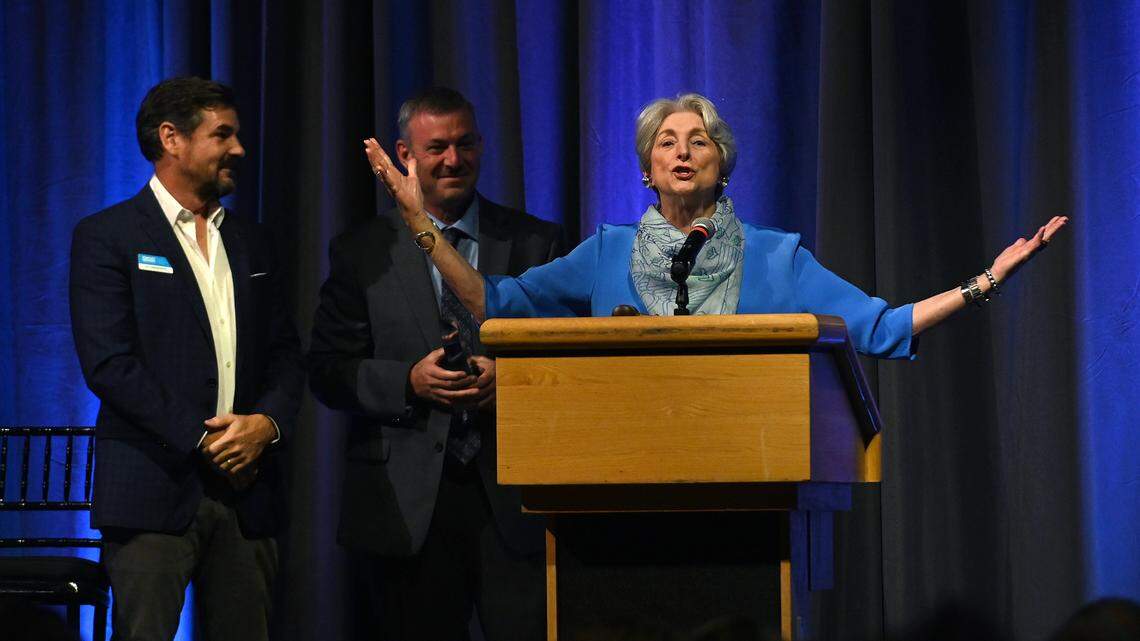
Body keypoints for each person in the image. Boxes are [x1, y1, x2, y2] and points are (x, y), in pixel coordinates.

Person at [364, 92, 1068, 355]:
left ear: (721, 165)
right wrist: (421, 221)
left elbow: (882, 327)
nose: (681, 149)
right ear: (645, 168)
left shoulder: (776, 258)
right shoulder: (606, 252)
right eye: (666, 141)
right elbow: (491, 302)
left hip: (748, 482)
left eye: (697, 140)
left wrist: (985, 281)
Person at [309, 87, 564, 641]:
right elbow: (328, 369)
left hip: (513, 497)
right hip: (406, 505)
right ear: (405, 154)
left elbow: (566, 360)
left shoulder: (535, 242)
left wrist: (514, 380)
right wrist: (407, 380)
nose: (454, 160)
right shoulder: (362, 250)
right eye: (437, 147)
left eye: (466, 144)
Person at [69, 77, 304, 641]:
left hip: (248, 491)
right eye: (222, 134)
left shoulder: (253, 241)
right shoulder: (108, 237)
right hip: (152, 491)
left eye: (238, 134)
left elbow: (286, 354)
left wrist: (264, 426)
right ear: (171, 138)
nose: (239, 149)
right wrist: (207, 441)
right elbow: (109, 364)